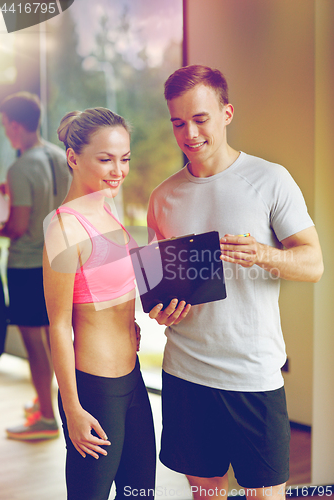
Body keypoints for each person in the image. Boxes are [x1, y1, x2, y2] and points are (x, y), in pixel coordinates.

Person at [147, 65, 324, 500]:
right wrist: (159, 311)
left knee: (266, 494)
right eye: (178, 122)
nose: (189, 133)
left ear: (227, 113)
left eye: (200, 118)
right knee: (205, 493)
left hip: (254, 373)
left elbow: (313, 262)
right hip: (186, 371)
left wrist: (263, 254)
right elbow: (157, 289)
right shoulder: (163, 197)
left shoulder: (270, 179)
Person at [43, 107, 156, 500]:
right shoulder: (63, 227)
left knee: (139, 492)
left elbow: (116, 291)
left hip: (132, 379)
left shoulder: (108, 210)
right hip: (95, 389)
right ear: (74, 158)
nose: (118, 171)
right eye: (106, 159)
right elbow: (57, 325)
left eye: (124, 159)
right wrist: (71, 409)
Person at [0, 91, 70, 439]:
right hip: (58, 261)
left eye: (3, 123)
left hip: (27, 266)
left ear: (13, 124)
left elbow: (17, 227)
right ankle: (48, 405)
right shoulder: (58, 157)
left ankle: (46, 416)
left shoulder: (21, 167)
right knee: (55, 338)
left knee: (35, 343)